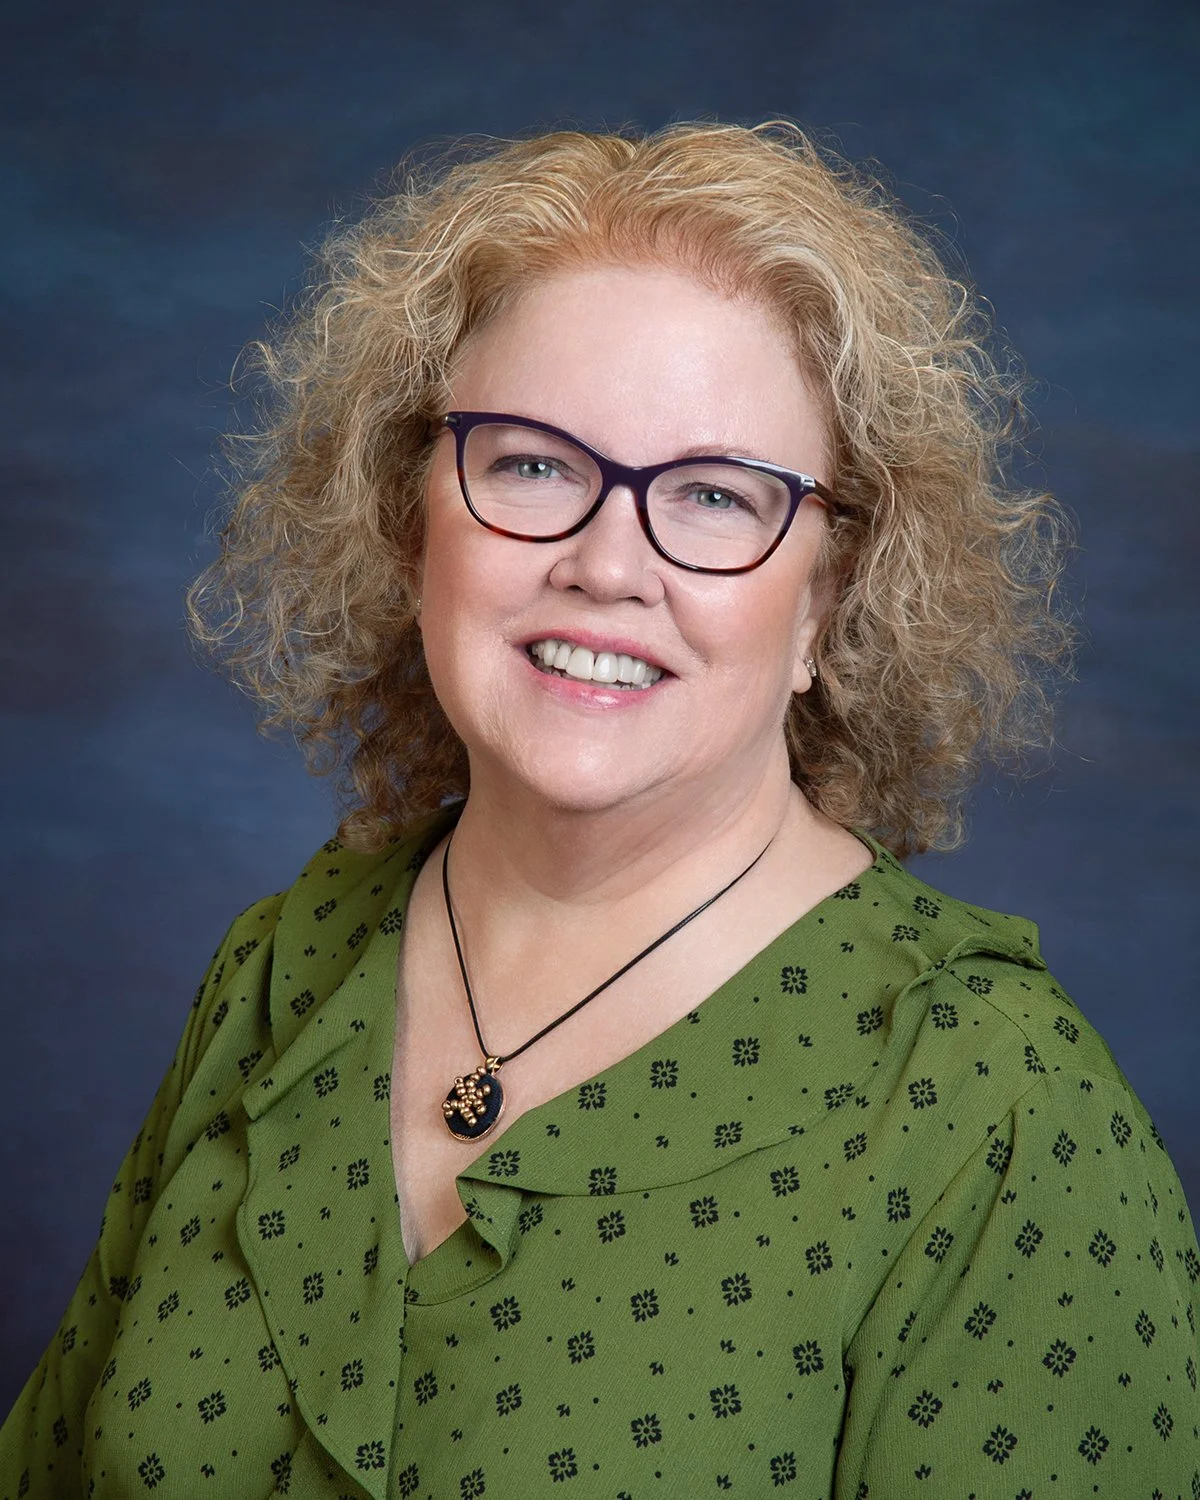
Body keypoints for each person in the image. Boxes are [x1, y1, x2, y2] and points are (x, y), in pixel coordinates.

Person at [2, 121, 1196, 1499]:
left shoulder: (1000, 1113)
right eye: (532, 465)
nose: (607, 562)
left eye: (712, 495)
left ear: (826, 600)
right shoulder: (284, 973)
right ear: (412, 524)